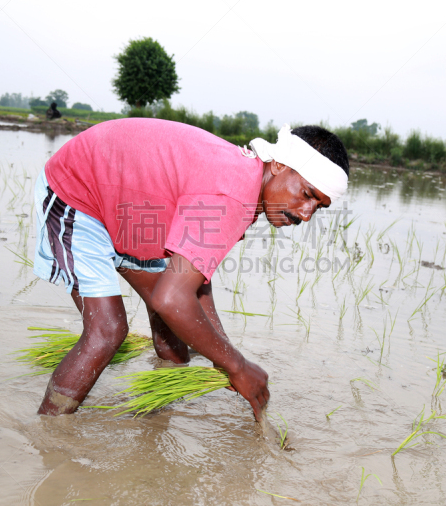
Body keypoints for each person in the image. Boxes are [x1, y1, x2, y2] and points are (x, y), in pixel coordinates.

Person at [33, 118, 349, 420]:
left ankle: (150, 426)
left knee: (175, 347)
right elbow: (170, 299)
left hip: (130, 209)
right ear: (279, 165)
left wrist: (222, 358)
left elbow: (196, 283)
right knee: (107, 331)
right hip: (78, 191)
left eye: (318, 206)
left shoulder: (248, 187)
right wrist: (237, 366)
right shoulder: (233, 196)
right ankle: (49, 433)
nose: (306, 214)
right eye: (307, 194)